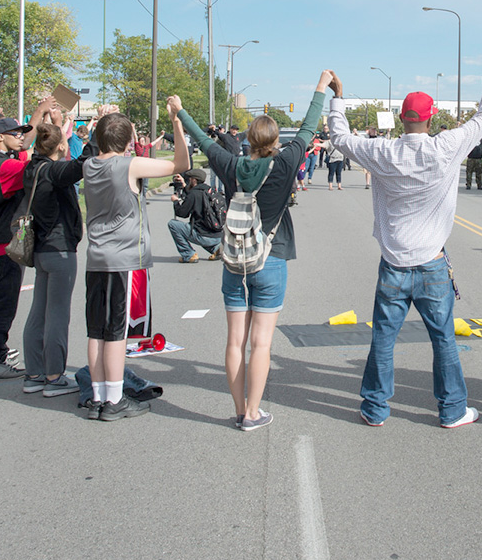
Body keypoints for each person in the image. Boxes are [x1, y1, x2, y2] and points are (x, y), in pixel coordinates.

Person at [327, 48, 482, 428]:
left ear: (402, 119)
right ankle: (452, 410)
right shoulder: (446, 147)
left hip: (393, 264)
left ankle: (375, 409)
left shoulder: (382, 151)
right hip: (432, 264)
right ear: (430, 118)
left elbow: (339, 137)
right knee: (443, 340)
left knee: (383, 341)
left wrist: (337, 98)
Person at [178, 81, 328, 432]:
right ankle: (253, 413)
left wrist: (180, 109)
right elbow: (307, 127)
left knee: (235, 341)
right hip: (270, 258)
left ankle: (238, 407)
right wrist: (322, 86)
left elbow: (202, 139)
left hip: (235, 258)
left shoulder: (230, 165)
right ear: (275, 141)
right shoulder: (286, 162)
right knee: (262, 342)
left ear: (247, 139)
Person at [83, 102, 190, 421]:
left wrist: (103, 122)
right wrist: (176, 122)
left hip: (96, 257)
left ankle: (99, 395)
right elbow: (180, 164)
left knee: (96, 331)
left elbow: (100, 142)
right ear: (128, 139)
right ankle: (114, 400)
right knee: (116, 331)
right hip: (125, 257)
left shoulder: (89, 165)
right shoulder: (129, 165)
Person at [0, 101, 49, 380]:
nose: (20, 137)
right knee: (3, 303)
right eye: (15, 133)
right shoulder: (0, 166)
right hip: (3, 241)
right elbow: (35, 171)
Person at [19, 122, 85, 398]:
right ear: (60, 146)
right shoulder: (56, 171)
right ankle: (55, 376)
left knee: (38, 311)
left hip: (41, 248)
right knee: (57, 314)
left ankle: (34, 373)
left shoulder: (32, 168)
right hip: (59, 249)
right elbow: (82, 164)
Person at [168, 168, 222, 263]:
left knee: (173, 224)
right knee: (202, 227)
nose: (189, 181)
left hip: (204, 236)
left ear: (194, 180)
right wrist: (184, 185)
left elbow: (182, 213)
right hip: (218, 235)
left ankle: (188, 254)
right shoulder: (210, 190)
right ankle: (216, 249)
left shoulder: (194, 194)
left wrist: (176, 201)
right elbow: (194, 196)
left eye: (190, 179)